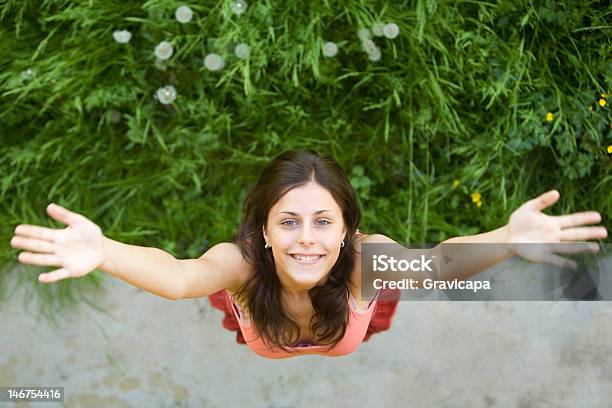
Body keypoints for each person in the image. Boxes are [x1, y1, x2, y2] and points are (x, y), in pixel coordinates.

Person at [9, 150, 608, 359]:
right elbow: (178, 276)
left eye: (324, 222)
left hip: (348, 321)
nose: (306, 240)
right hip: (262, 324)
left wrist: (508, 237)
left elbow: (439, 265)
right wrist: (106, 250)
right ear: (263, 233)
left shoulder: (364, 265)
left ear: (348, 230)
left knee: (365, 325)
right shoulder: (243, 265)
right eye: (288, 222)